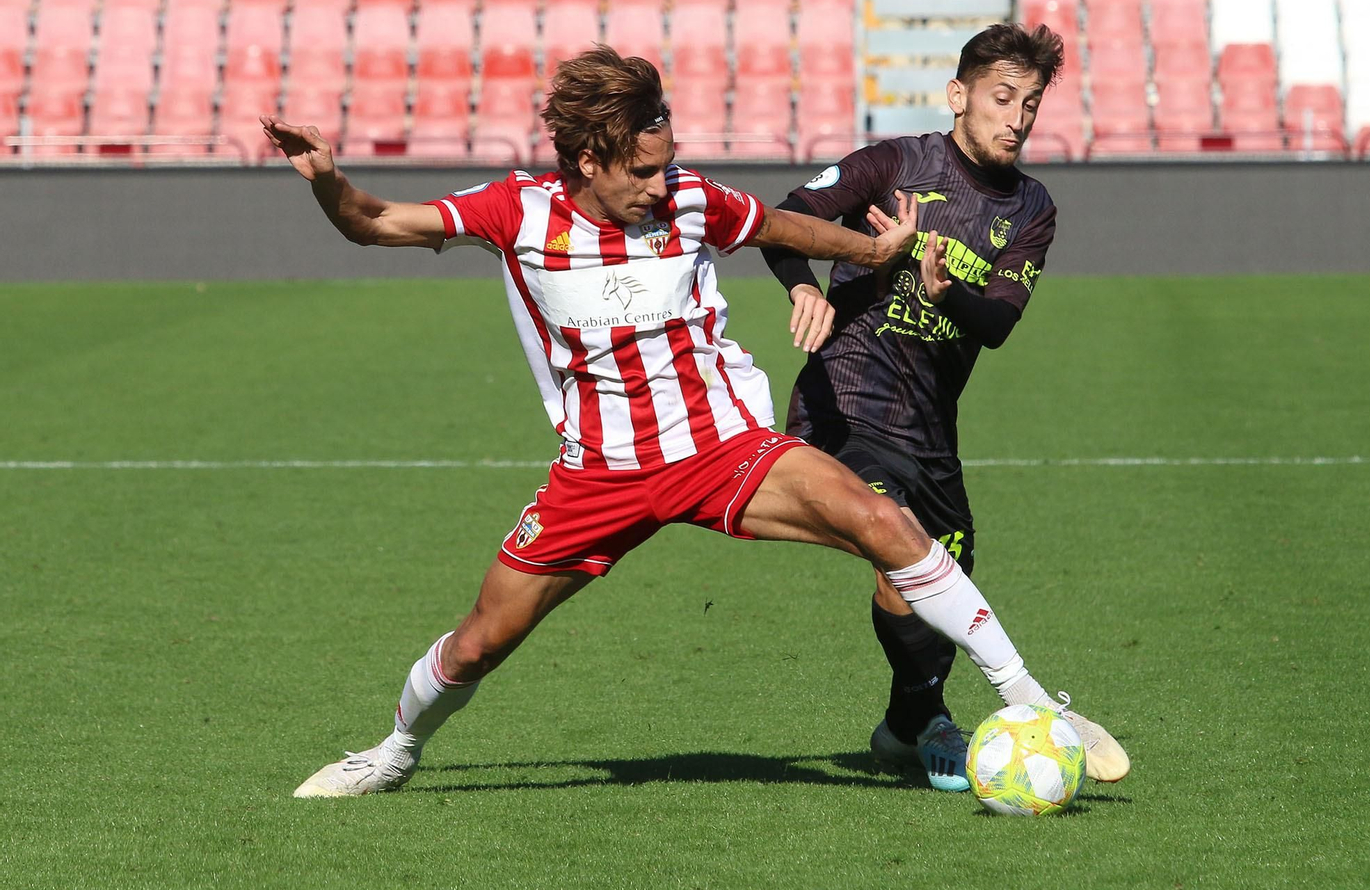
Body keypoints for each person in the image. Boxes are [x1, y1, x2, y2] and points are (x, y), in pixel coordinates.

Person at [265, 46, 1090, 798]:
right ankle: (396, 749)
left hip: (720, 447)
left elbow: (783, 224)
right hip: (600, 472)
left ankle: (1027, 698)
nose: (663, 186)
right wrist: (327, 181)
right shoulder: (515, 212)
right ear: (589, 160)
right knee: (481, 641)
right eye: (643, 172)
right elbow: (374, 221)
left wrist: (878, 255)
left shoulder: (693, 197)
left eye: (668, 165)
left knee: (883, 520)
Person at [761, 23, 1130, 791]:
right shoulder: (896, 163)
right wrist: (803, 281)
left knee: (941, 582)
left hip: (930, 426)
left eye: (1029, 104)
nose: (1017, 117)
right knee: (898, 544)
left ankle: (908, 723)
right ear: (958, 96)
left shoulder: (1031, 207)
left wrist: (945, 289)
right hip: (848, 403)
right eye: (1002, 98)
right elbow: (785, 216)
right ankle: (964, 711)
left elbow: (995, 323)